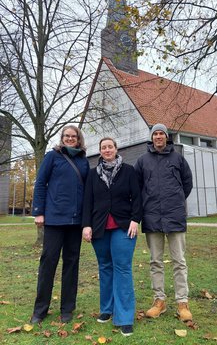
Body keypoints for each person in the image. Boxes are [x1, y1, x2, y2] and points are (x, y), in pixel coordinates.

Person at [82, 137, 142, 337]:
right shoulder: (92, 175)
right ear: (99, 152)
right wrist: (86, 225)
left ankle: (125, 317)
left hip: (124, 227)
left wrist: (135, 219)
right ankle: (107, 309)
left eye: (110, 146)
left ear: (116, 149)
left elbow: (138, 197)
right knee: (105, 268)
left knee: (122, 269)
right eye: (103, 147)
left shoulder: (129, 171)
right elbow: (87, 202)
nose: (107, 150)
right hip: (99, 228)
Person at [31, 125, 90, 324]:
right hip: (54, 219)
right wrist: (38, 212)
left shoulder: (83, 161)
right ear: (62, 138)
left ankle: (67, 309)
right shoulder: (52, 157)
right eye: (67, 136)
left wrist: (86, 220)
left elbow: (87, 191)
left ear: (78, 139)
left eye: (74, 136)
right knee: (48, 263)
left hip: (75, 222)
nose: (70, 139)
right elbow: (40, 183)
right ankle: (40, 310)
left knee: (71, 265)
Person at [134, 123, 193, 322]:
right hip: (151, 217)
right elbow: (137, 187)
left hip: (175, 216)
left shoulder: (178, 158)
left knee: (179, 261)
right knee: (155, 261)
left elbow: (187, 184)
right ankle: (159, 301)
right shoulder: (142, 161)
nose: (158, 137)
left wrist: (175, 200)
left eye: (161, 134)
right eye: (155, 134)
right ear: (151, 138)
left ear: (166, 137)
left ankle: (182, 303)